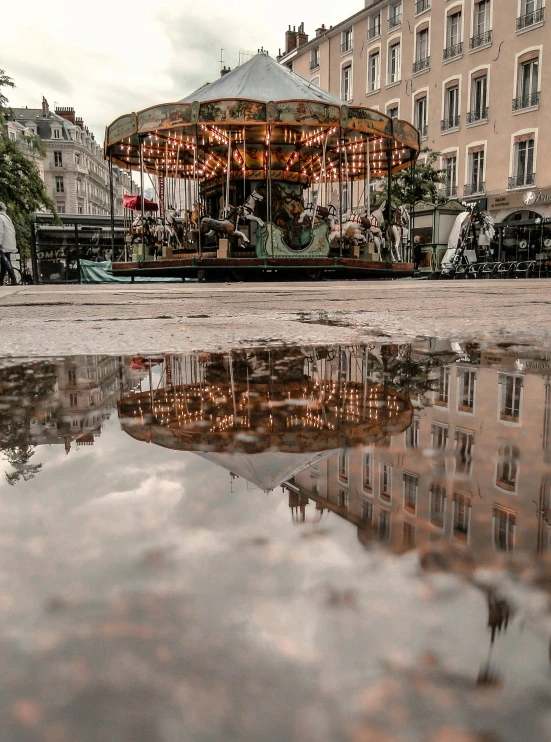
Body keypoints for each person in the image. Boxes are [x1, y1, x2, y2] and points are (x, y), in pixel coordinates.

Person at [0, 202, 17, 285]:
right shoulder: (7, 217)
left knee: (5, 260)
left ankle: (13, 278)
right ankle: (1, 280)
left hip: (4, 243)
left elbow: (0, 231)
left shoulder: (0, 218)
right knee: (5, 262)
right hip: (9, 242)